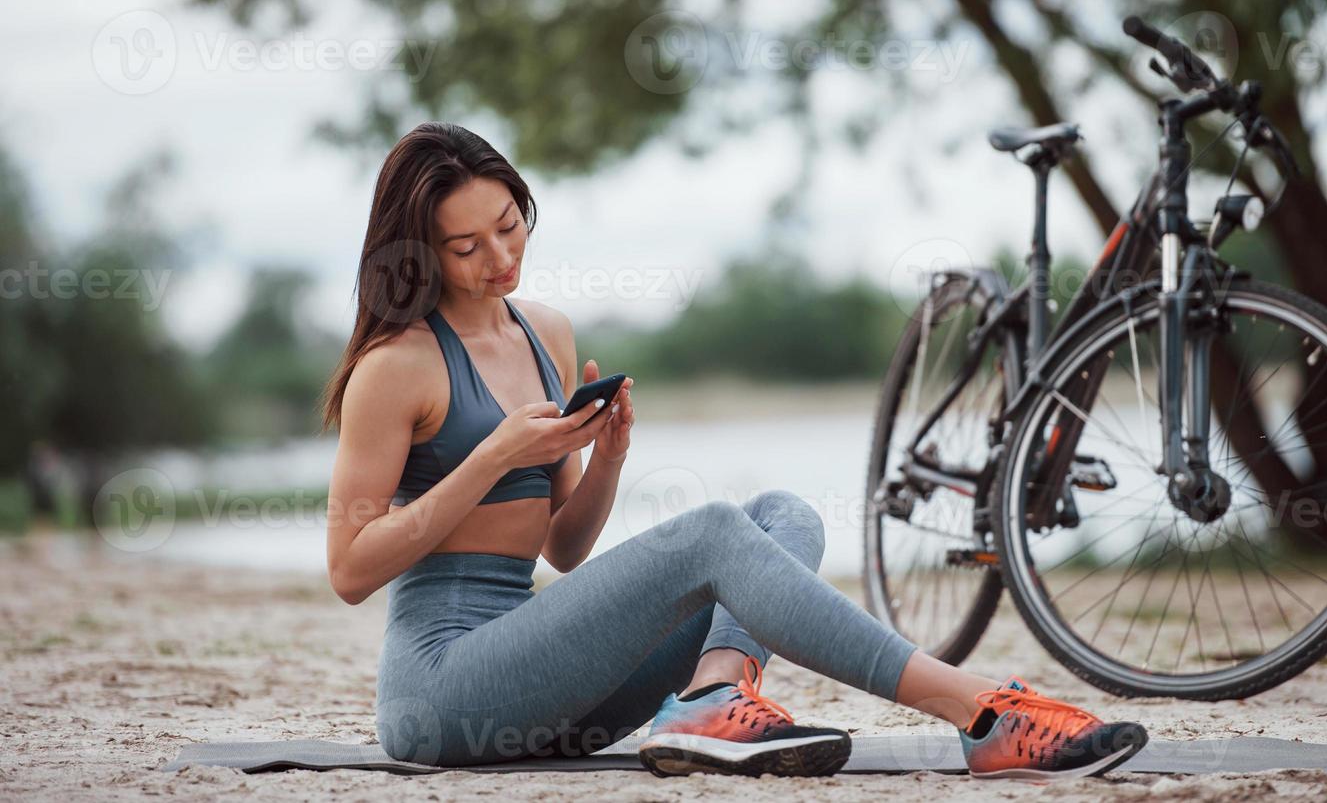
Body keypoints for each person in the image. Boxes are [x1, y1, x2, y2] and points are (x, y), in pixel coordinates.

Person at [321, 122, 1149, 780]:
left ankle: (712, 697)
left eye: (509, 226)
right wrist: (492, 457)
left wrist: (604, 457)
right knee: (716, 532)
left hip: (554, 683)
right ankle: (981, 712)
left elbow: (564, 550)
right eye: (467, 249)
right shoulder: (395, 368)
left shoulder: (546, 333)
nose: (499, 258)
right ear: (422, 252)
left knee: (778, 514)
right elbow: (351, 571)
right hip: (443, 695)